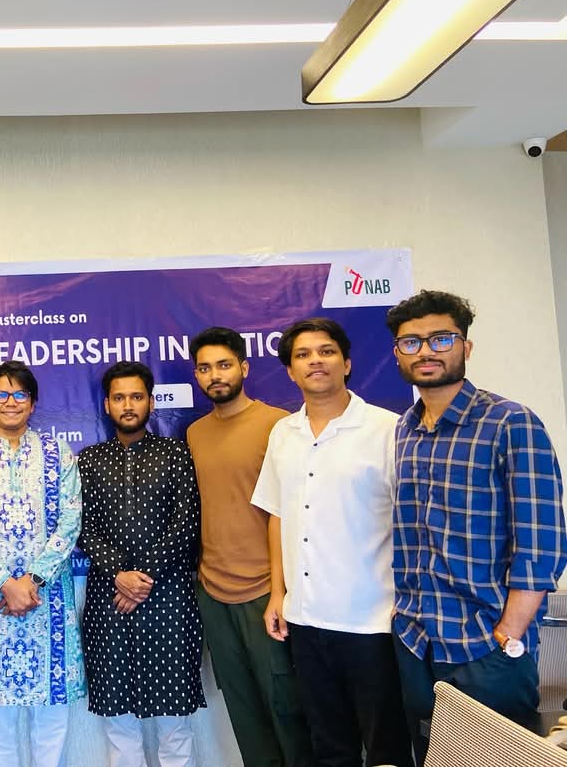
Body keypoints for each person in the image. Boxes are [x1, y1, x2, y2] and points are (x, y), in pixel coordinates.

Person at [386, 290, 567, 764]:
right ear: (397, 354)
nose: (426, 351)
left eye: (441, 339)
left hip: (485, 647)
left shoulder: (510, 422)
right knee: (432, 758)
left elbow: (542, 545)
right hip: (417, 642)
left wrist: (508, 635)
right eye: (411, 342)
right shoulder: (405, 430)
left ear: (465, 346)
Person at [251, 318, 412, 767]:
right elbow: (277, 514)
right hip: (305, 619)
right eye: (302, 355)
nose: (315, 361)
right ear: (290, 371)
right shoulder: (283, 433)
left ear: (347, 362)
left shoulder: (389, 429)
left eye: (326, 351)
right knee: (329, 746)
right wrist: (278, 593)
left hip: (373, 621)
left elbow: (412, 521)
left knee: (385, 747)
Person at [0, 360, 87, 767]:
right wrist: (7, 585)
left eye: (20, 394)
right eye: (2, 394)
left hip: (48, 599)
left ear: (33, 402)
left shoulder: (58, 455)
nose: (11, 402)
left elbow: (70, 520)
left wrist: (33, 579)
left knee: (52, 712)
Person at [185, 327, 312, 767]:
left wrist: (280, 590)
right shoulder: (195, 433)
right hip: (214, 593)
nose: (215, 375)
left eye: (224, 365)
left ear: (244, 367)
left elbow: (296, 511)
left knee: (286, 707)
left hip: (267, 592)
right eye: (205, 368)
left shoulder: (280, 425)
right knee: (244, 712)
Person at [78, 361, 204, 767]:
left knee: (173, 719)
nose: (128, 405)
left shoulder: (175, 453)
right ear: (107, 404)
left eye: (136, 397)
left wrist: (142, 578)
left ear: (151, 401)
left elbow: (186, 522)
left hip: (168, 597)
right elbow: (82, 527)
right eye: (119, 398)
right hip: (109, 598)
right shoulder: (88, 461)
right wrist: (120, 574)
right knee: (118, 719)